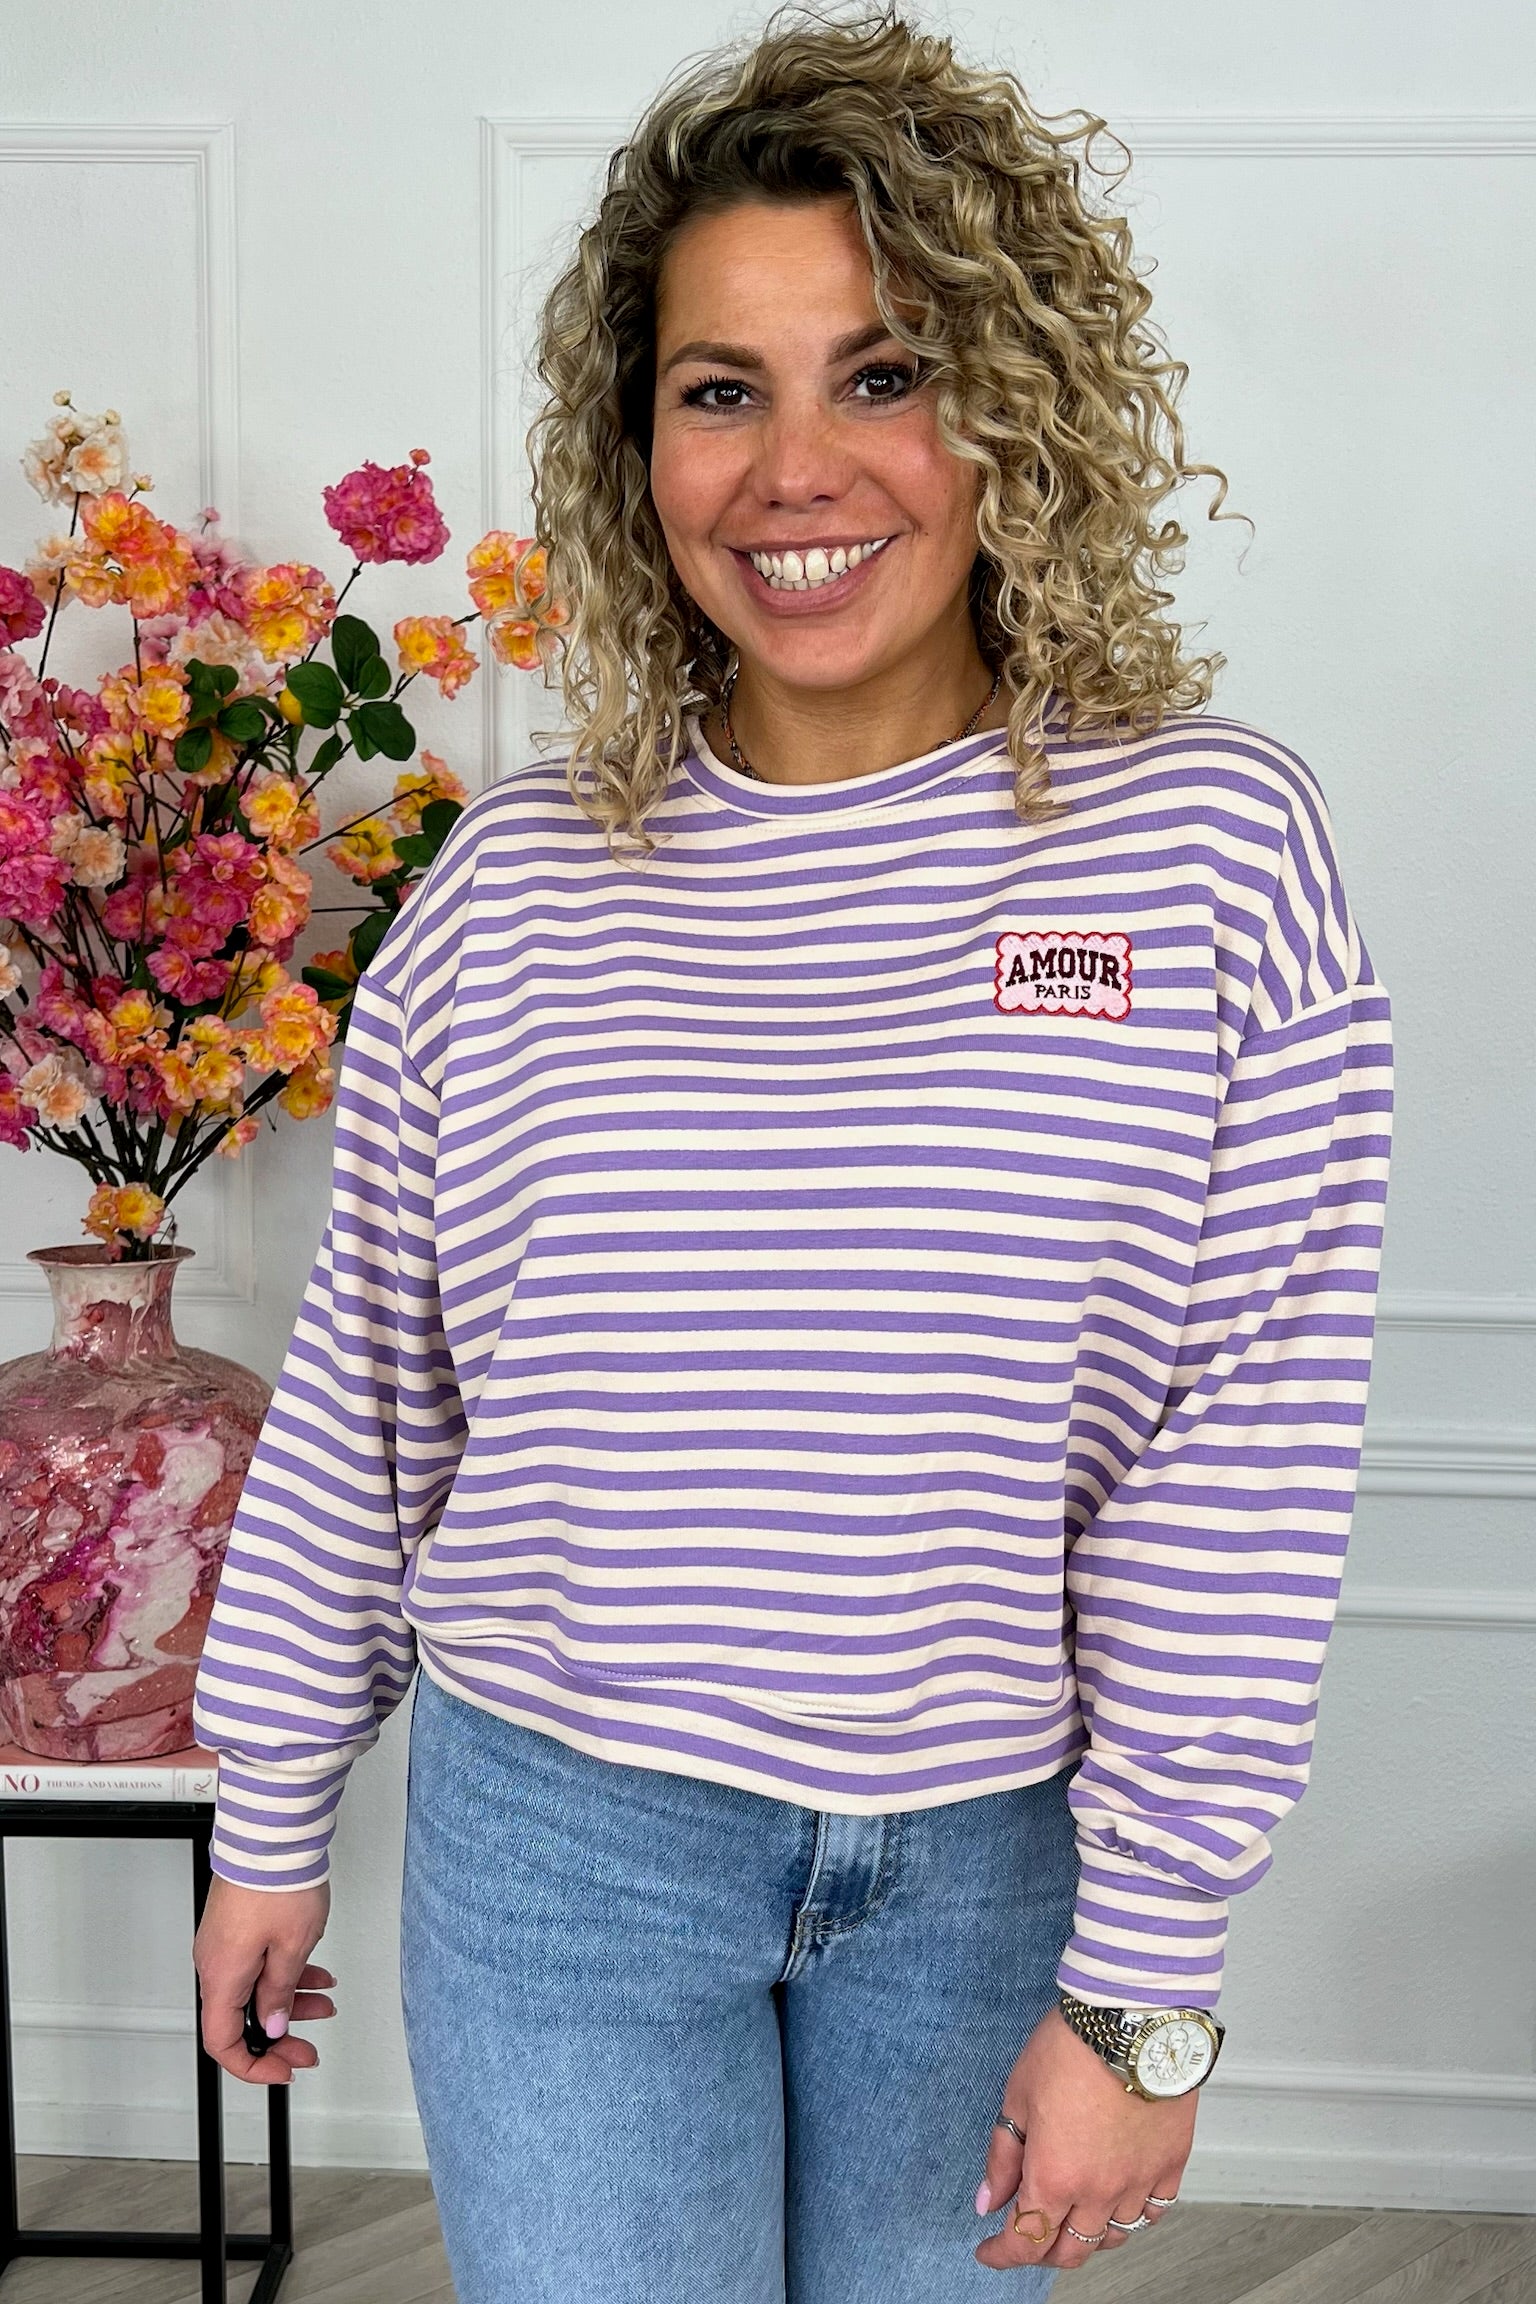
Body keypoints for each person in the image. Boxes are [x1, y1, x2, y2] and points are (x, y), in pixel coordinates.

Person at [190, 9, 1394, 2298]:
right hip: (560, 1852)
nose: (797, 469)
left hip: (991, 1866)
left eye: (886, 373)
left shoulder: (1211, 851)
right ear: (637, 443)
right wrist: (270, 1810)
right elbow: (370, 1398)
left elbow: (1240, 1454)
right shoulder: (516, 887)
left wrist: (1147, 1984)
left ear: (1013, 408)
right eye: (721, 389)